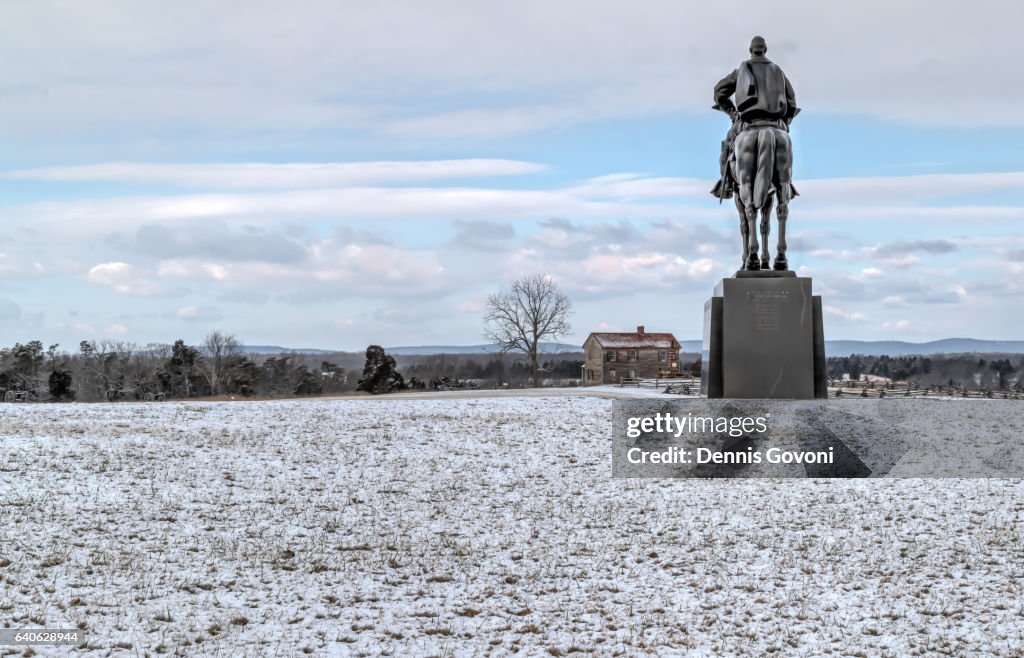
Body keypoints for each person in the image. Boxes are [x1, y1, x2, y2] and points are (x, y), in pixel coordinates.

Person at [711, 36, 800, 200]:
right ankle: (786, 184)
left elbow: (718, 92)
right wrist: (785, 124)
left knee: (726, 144)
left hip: (747, 124)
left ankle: (726, 183)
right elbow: (792, 102)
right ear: (765, 50)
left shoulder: (741, 71)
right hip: (775, 124)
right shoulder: (778, 72)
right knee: (785, 145)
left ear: (751, 51)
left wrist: (732, 113)